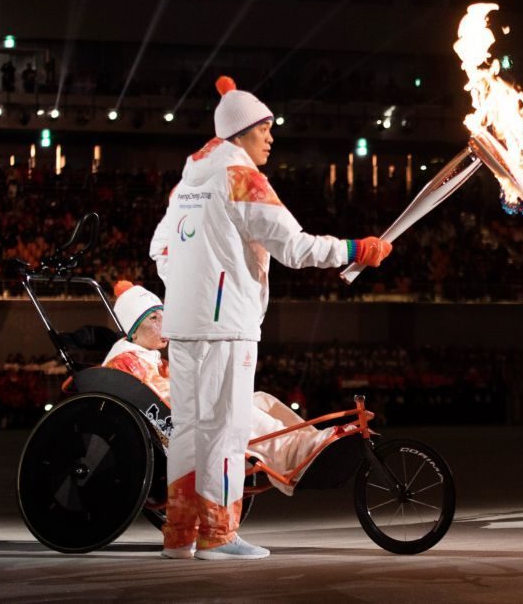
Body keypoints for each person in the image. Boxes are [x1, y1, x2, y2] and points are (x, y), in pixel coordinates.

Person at [149, 76, 392, 560]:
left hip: (182, 323)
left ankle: (180, 535)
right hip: (226, 327)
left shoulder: (188, 184)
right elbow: (295, 247)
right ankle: (219, 535)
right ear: (240, 132)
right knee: (227, 428)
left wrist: (191, 285)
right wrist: (356, 249)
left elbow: (160, 250)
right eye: (265, 128)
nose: (271, 137)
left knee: (190, 429)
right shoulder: (242, 177)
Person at [103, 281, 336, 497]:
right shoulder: (126, 361)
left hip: (186, 414)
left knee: (261, 400)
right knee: (234, 406)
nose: (164, 324)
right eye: (154, 319)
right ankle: (294, 454)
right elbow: (166, 400)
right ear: (132, 331)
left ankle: (307, 441)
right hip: (178, 429)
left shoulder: (148, 357)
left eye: (164, 315)